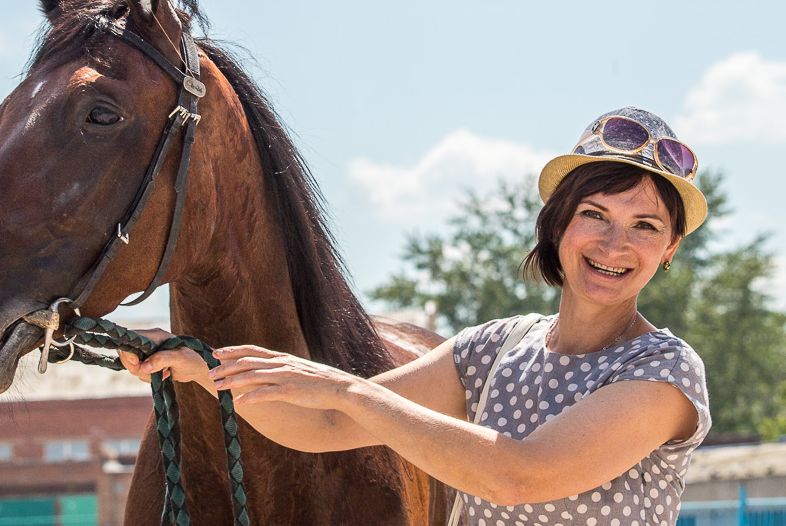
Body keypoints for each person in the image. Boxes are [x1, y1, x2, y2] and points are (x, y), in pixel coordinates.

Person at [120, 106, 711, 526]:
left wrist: (350, 391)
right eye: (595, 214)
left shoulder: (663, 372)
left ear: (669, 249)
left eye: (645, 226)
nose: (614, 245)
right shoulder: (492, 349)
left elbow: (519, 476)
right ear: (560, 222)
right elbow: (324, 427)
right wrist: (202, 369)